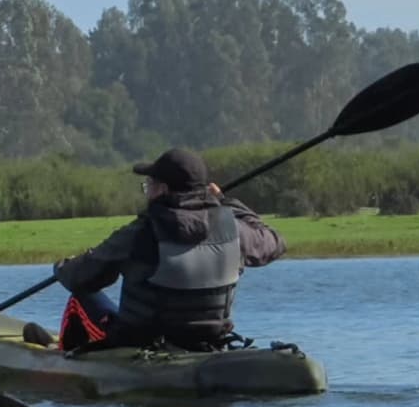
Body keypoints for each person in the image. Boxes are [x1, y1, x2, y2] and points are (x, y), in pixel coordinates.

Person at [50, 147, 286, 352]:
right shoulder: (233, 228)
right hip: (209, 339)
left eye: (149, 185)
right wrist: (226, 202)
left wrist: (62, 267)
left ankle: (67, 362)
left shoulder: (141, 232)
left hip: (140, 341)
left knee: (80, 297)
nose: (148, 191)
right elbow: (274, 242)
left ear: (162, 189)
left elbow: (81, 278)